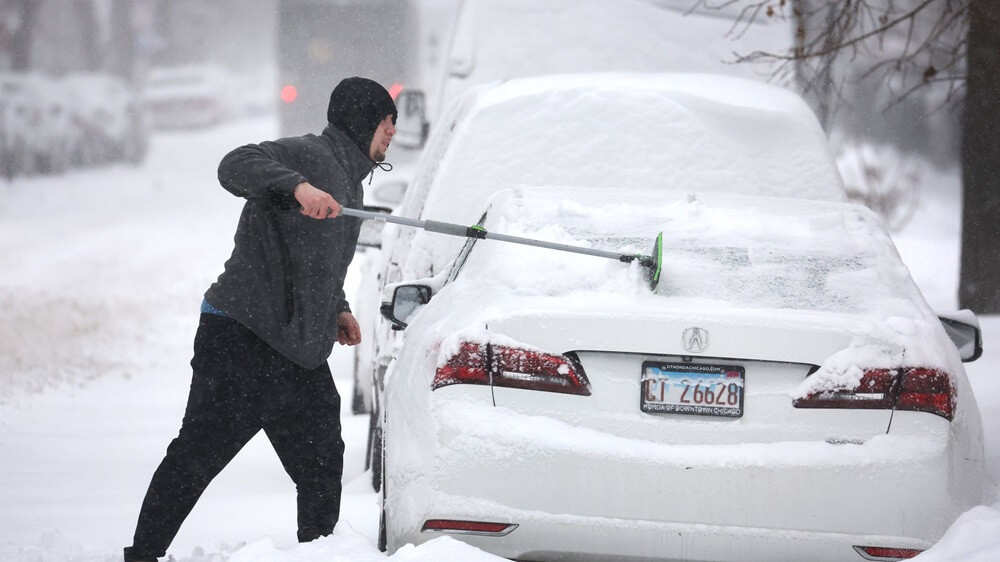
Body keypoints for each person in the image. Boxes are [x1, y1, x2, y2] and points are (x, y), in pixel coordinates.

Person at [123, 77, 397, 562]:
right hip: (242, 338)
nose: (392, 133)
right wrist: (297, 187)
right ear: (361, 122)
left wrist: (337, 307)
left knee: (321, 460)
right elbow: (235, 164)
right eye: (385, 122)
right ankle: (142, 555)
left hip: (297, 351)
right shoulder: (310, 155)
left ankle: (318, 553)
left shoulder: (351, 182)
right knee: (197, 456)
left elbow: (321, 265)